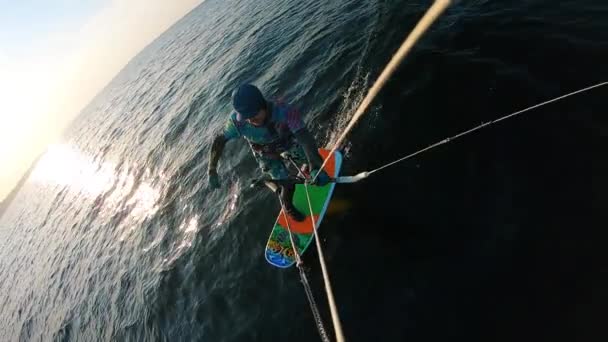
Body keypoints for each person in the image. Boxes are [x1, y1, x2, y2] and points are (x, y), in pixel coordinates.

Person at [207, 83, 330, 221]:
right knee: (287, 185)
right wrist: (212, 169)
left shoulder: (285, 111)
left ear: (262, 104)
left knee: (310, 158)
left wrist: (315, 164)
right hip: (265, 154)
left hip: (287, 143)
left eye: (253, 114)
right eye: (246, 116)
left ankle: (307, 168)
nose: (250, 120)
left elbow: (304, 136)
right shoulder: (237, 122)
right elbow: (219, 141)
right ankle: (288, 207)